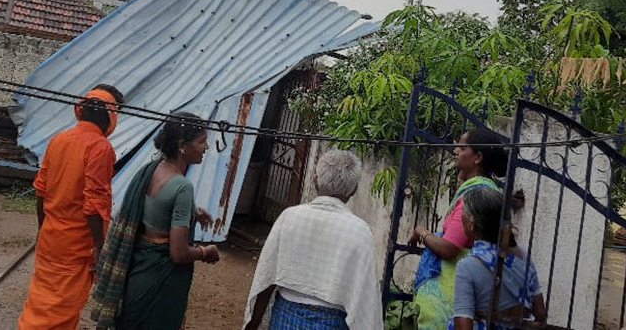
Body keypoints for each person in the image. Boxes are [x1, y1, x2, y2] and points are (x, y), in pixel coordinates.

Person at [91, 113, 218, 329]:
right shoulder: (182, 187)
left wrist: (192, 212)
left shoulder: (152, 169)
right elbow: (178, 254)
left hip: (137, 275)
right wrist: (206, 253)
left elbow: (155, 210)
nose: (206, 147)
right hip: (160, 281)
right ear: (182, 146)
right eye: (202, 141)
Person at [17, 84, 124, 330]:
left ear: (80, 111)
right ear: (111, 116)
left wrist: (43, 228)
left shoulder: (58, 140)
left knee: (41, 302)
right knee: (61, 310)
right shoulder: (100, 148)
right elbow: (94, 205)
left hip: (51, 239)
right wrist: (99, 245)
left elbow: (41, 191)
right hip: (76, 247)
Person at [243, 150, 383, 330]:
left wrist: (252, 324)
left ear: (315, 180)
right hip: (333, 323)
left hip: (285, 318)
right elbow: (366, 298)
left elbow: (266, 278)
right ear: (354, 189)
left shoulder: (289, 217)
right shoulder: (360, 232)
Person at [408, 128, 509, 330]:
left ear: (478, 157)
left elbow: (449, 247)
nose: (455, 150)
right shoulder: (484, 191)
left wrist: (421, 232)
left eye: (462, 147)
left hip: (448, 307)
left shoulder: (474, 196)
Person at [451, 188, 545, 329]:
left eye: (462, 212)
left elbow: (463, 325)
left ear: (471, 223)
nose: (460, 217)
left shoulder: (467, 266)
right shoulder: (523, 256)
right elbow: (540, 314)